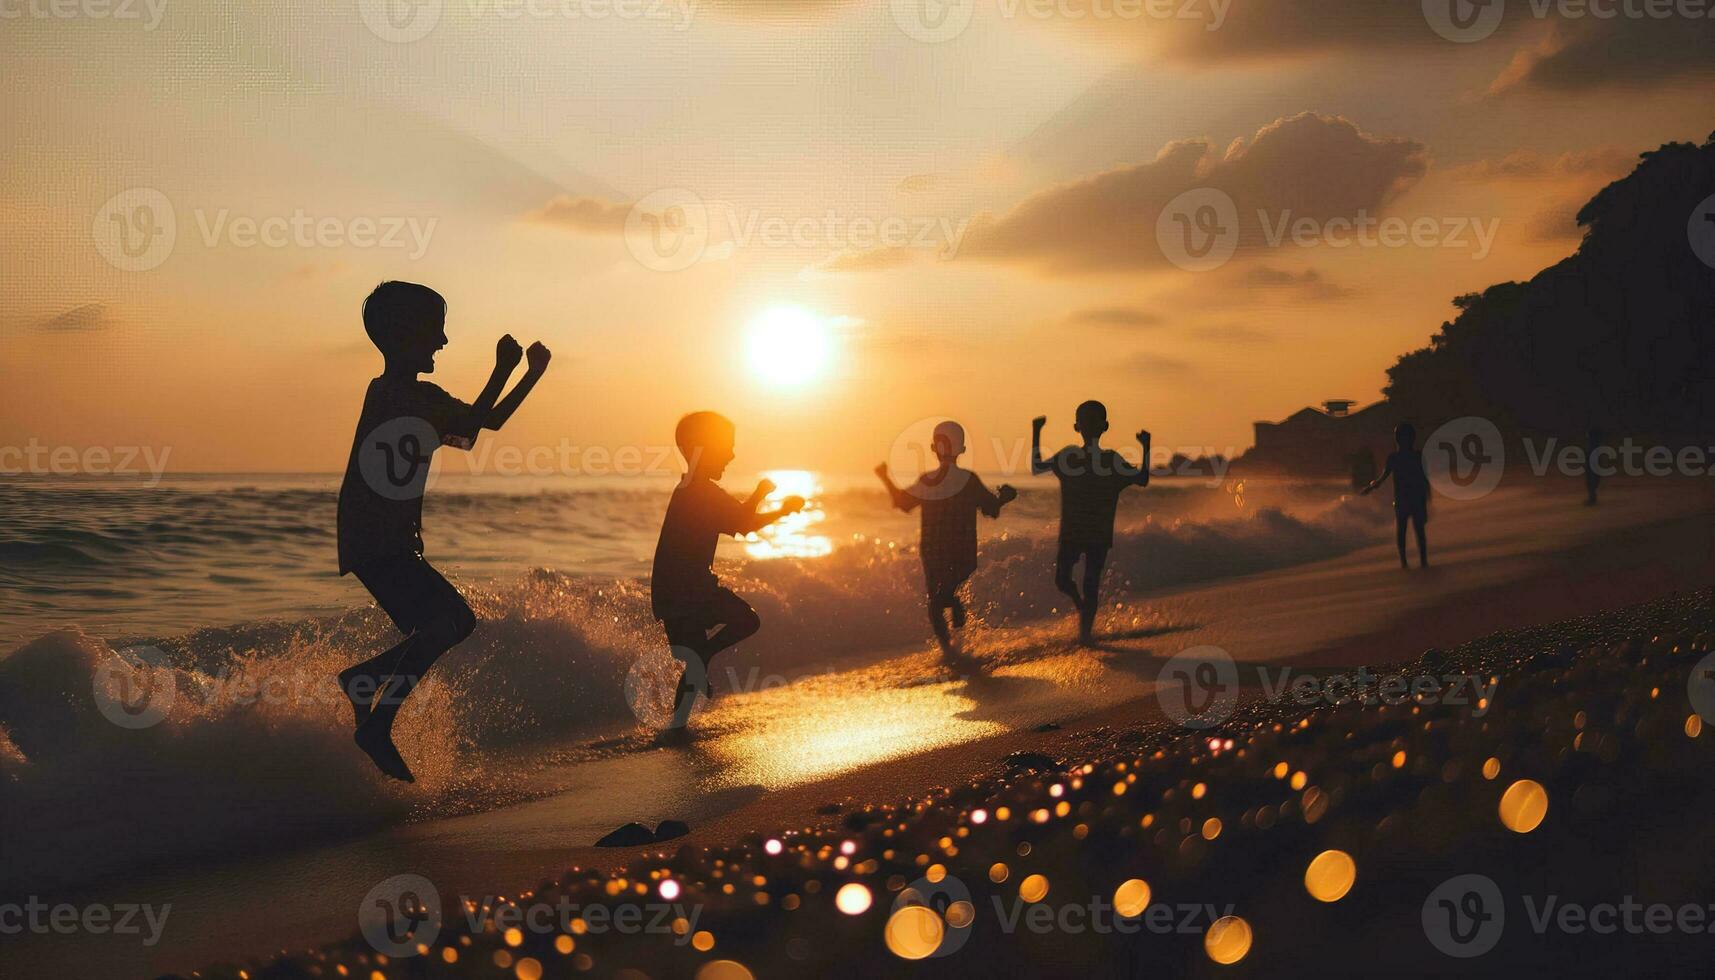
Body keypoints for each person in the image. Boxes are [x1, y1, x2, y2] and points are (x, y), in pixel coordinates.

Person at [335, 281, 551, 781]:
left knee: (446, 624)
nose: (443, 343)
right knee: (449, 620)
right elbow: (479, 422)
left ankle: (366, 683)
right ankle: (373, 707)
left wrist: (525, 374)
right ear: (407, 334)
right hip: (377, 537)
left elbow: (473, 431)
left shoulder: (404, 394)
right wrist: (510, 369)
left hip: (376, 538)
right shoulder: (400, 394)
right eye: (436, 332)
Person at [652, 412, 804, 727]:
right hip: (686, 593)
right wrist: (781, 508)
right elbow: (744, 524)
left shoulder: (693, 489)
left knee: (704, 653)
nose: (732, 455)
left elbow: (739, 521)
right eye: (726, 447)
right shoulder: (699, 493)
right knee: (742, 623)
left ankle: (676, 728)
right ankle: (677, 725)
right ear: (702, 448)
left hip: (682, 590)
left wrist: (761, 496)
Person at [876, 421, 1017, 656]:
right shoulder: (967, 480)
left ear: (933, 448)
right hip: (960, 555)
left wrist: (884, 477)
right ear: (961, 449)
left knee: (936, 605)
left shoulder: (928, 481)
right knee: (940, 601)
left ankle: (951, 651)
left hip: (934, 552)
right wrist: (1005, 497)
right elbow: (991, 509)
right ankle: (955, 650)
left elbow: (901, 504)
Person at [1031, 401, 1151, 645]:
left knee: (1091, 583)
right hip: (1072, 532)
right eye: (1085, 421)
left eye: (1093, 421)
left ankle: (1085, 635)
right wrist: (1036, 432)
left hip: (1097, 532)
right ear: (1077, 426)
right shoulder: (1069, 456)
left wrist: (1146, 448)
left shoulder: (1111, 460)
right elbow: (1037, 467)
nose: (1089, 425)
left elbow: (1142, 479)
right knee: (1062, 580)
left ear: (1104, 426)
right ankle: (1079, 605)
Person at [1360, 422, 1430, 569]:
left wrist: (1426, 499)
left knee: (1411, 531)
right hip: (1408, 500)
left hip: (1408, 500)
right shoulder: (1409, 457)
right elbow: (1383, 478)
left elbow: (1424, 480)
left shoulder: (1401, 457)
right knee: (1409, 531)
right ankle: (1411, 561)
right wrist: (1370, 488)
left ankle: (1415, 561)